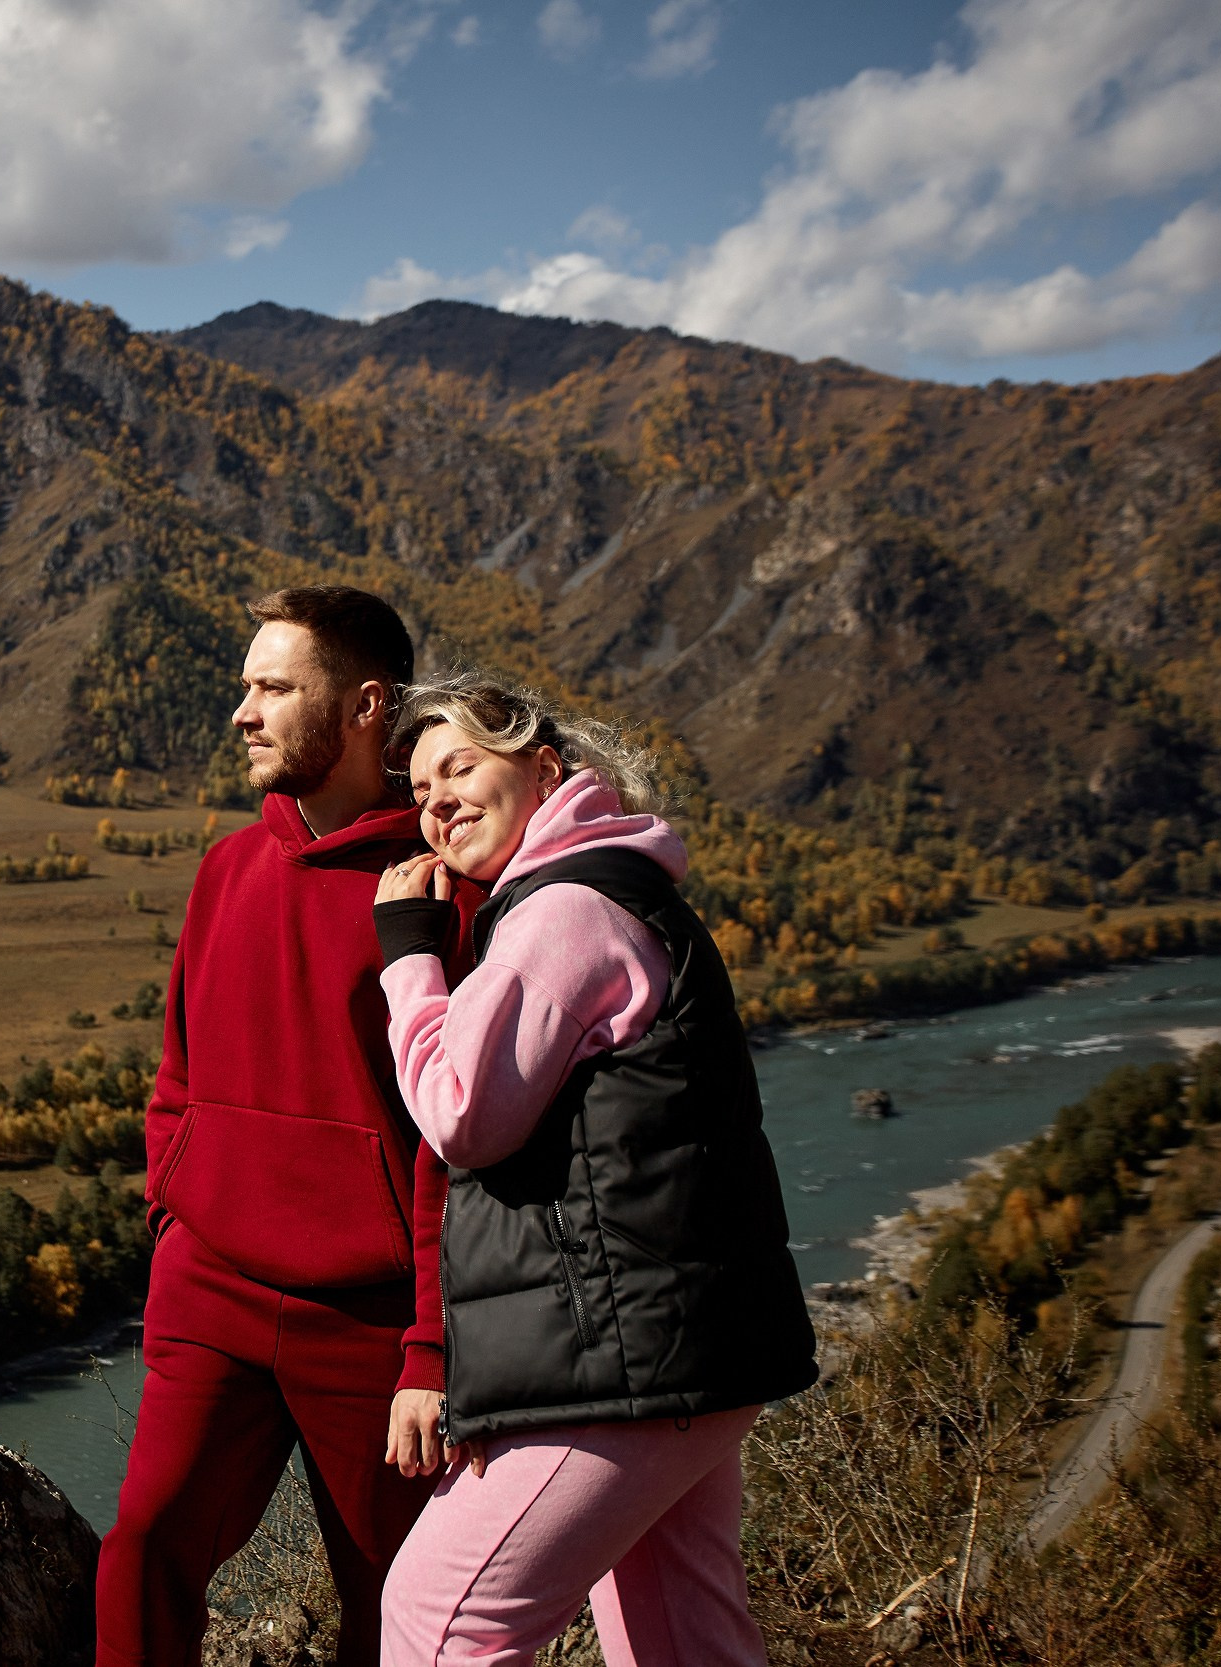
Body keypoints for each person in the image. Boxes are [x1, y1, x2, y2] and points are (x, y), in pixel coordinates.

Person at [367, 671, 817, 1667]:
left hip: (622, 1362)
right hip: (691, 1352)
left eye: (460, 767)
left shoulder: (561, 913)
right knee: (682, 1638)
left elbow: (461, 1112)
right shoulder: (625, 891)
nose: (437, 800)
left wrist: (408, 962)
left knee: (440, 1619)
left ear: (543, 768)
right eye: (421, 789)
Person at [96, 586, 461, 1667]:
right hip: (210, 1290)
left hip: (373, 1325)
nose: (242, 712)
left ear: (363, 705)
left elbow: (456, 1142)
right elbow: (178, 1071)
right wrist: (174, 1215)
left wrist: (431, 1344)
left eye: (272, 688)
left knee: (393, 1607)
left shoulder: (441, 894)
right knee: (142, 1549)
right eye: (244, 686)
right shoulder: (226, 868)